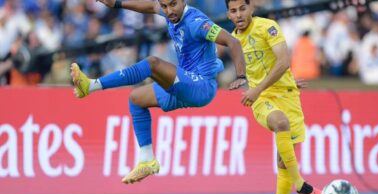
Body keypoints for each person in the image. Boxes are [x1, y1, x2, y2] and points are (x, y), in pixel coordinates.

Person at [70, 0, 247, 184]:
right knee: (136, 99)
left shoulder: (196, 22)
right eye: (164, 6)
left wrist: (241, 76)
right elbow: (149, 6)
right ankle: (147, 159)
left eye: (172, 4)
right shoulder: (169, 11)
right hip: (185, 83)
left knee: (152, 63)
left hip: (201, 86)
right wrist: (117, 4)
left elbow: (232, 41)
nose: (168, 10)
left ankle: (92, 85)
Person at [225, 0, 321, 194]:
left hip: (287, 96)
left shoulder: (268, 26)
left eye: (242, 8)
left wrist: (285, 82)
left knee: (283, 162)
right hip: (260, 98)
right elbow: (252, 71)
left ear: (251, 8)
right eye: (233, 11)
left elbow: (283, 62)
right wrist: (255, 90)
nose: (239, 14)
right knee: (280, 122)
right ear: (228, 15)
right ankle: (301, 184)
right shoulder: (233, 41)